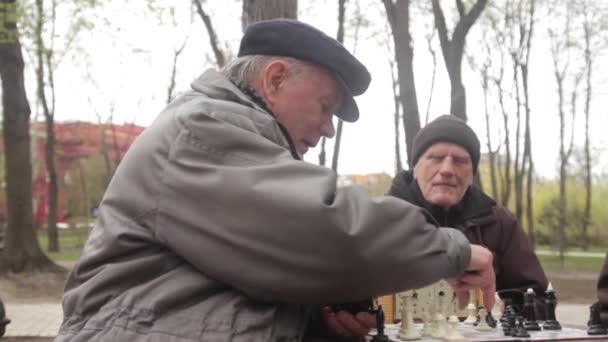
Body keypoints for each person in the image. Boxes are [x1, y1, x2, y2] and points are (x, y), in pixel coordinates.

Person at [56, 19, 496, 342]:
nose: (328, 129)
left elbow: (255, 275)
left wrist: (322, 320)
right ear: (275, 78)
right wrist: (453, 249)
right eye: (325, 107)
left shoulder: (232, 139)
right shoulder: (203, 129)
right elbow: (326, 232)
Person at [387, 114, 549, 317]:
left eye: (460, 161)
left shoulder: (499, 223)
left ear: (472, 174)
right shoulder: (380, 219)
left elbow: (541, 299)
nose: (446, 170)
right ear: (416, 168)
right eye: (436, 158)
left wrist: (494, 309)